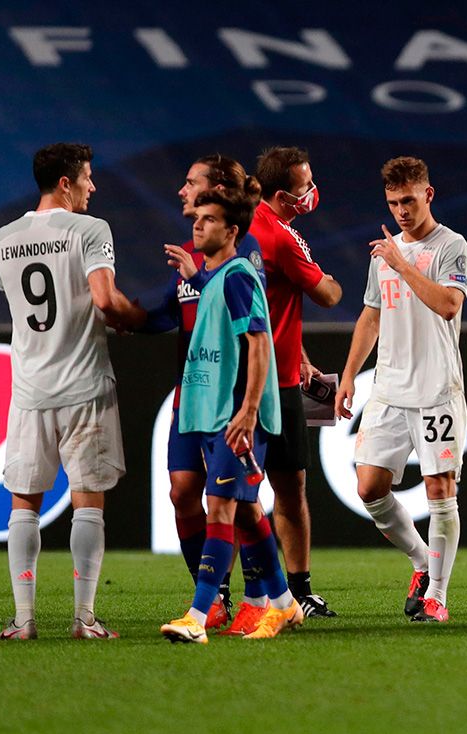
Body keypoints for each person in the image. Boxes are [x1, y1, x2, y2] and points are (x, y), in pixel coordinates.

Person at [0, 142, 145, 640]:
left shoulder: (1, 239)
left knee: (24, 503)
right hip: (84, 385)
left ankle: (23, 620)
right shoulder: (90, 229)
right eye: (87, 178)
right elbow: (103, 298)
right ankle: (84, 619)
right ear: (65, 184)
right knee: (88, 502)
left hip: (30, 388)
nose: (92, 186)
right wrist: (132, 317)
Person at [123, 154, 267, 633]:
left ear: (219, 194)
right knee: (184, 492)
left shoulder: (243, 259)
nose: (184, 194)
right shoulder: (194, 256)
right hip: (192, 396)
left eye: (193, 185)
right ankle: (228, 597)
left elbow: (251, 326)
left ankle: (246, 600)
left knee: (234, 503)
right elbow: (168, 314)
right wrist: (127, 317)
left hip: (232, 399)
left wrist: (250, 405)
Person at [161, 188, 302, 643]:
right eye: (196, 217)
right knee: (243, 510)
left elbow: (259, 342)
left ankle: (197, 617)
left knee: (220, 506)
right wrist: (197, 279)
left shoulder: (240, 276)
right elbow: (222, 308)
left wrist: (249, 410)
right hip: (214, 410)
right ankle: (283, 604)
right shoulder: (219, 277)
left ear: (232, 231)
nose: (197, 225)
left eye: (209, 219)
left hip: (235, 414)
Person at [335, 157, 467, 623]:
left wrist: (402, 263)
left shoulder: (452, 246)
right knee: (370, 487)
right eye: (393, 203)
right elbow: (371, 315)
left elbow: (449, 306)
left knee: (440, 491)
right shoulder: (385, 253)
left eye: (409, 201)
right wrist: (350, 373)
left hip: (437, 389)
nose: (401, 211)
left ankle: (437, 595)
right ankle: (420, 561)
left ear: (428, 195)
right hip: (390, 389)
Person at [250, 146, 343, 617]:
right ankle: (296, 589)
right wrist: (329, 276)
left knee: (235, 492)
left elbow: (267, 307)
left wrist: (300, 352)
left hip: (256, 375)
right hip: (274, 387)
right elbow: (327, 295)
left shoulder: (242, 227)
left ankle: (233, 595)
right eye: (306, 184)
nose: (312, 191)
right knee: (288, 490)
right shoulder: (282, 237)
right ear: (285, 194)